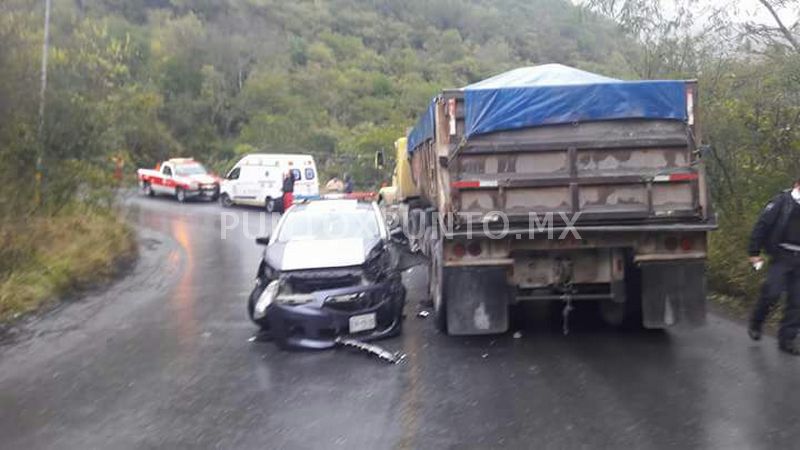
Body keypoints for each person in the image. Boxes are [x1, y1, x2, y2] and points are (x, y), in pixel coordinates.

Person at [747, 177, 800, 355]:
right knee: (772, 293)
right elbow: (762, 225)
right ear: (797, 185)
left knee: (797, 301)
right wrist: (754, 252)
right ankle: (756, 322)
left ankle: (787, 340)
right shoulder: (781, 202)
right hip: (782, 255)